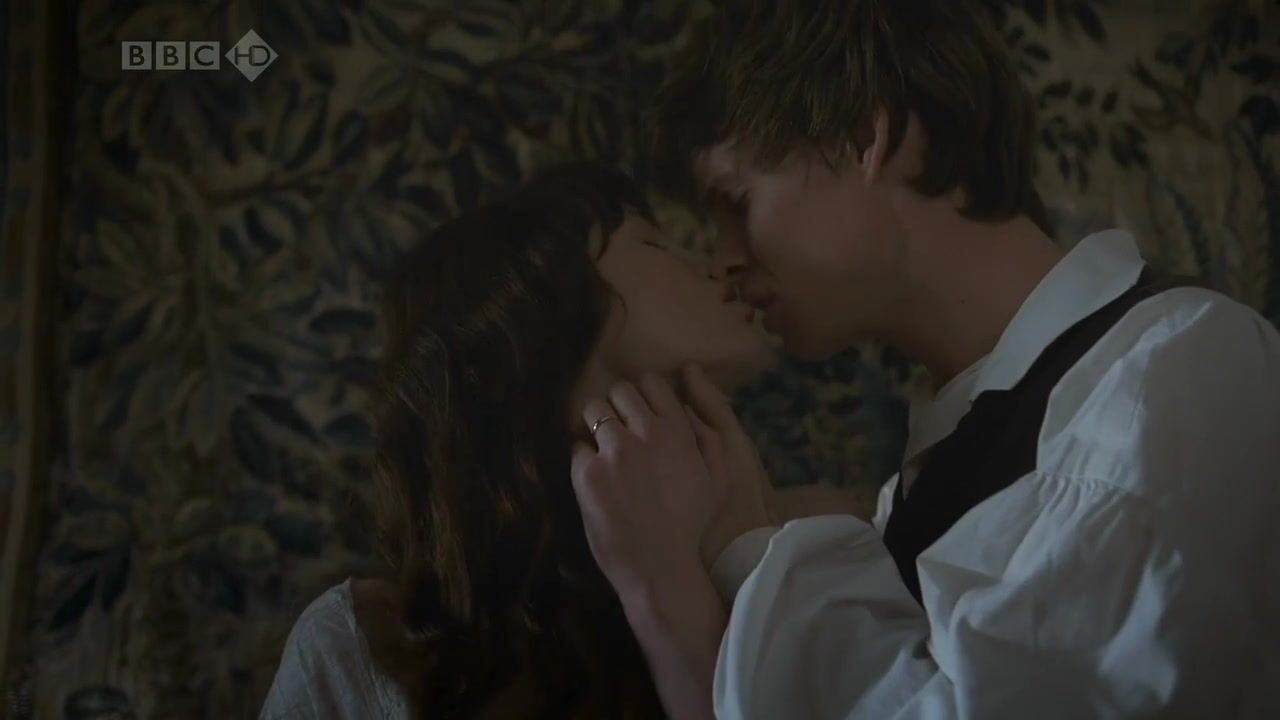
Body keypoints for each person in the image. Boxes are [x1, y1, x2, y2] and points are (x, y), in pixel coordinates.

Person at [568, 1, 1280, 718]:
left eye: (737, 200)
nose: (724, 257)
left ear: (863, 139)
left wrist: (733, 550)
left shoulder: (1172, 369)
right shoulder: (924, 482)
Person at [258, 162, 860, 719]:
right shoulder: (364, 645)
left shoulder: (829, 538)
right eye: (652, 243)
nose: (715, 264)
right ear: (543, 328)